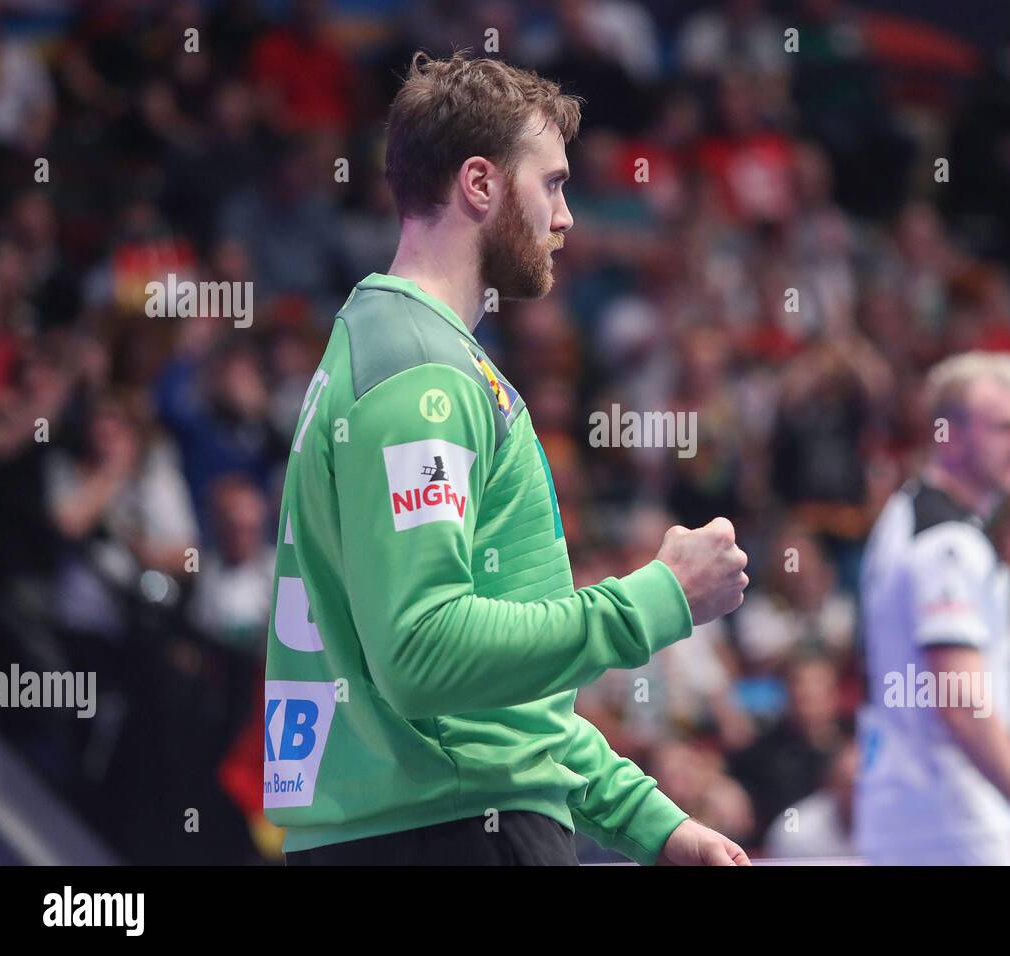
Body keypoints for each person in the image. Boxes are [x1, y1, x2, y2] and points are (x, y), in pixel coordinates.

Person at [265, 52, 750, 866]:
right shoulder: (422, 374)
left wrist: (652, 825)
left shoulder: (398, 352)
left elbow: (495, 705)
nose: (566, 218)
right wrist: (658, 600)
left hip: (425, 820)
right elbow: (423, 652)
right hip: (445, 830)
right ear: (481, 184)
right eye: (552, 184)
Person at [855, 351, 1010, 864]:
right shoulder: (948, 545)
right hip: (952, 827)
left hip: (905, 817)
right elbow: (962, 706)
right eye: (1005, 428)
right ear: (949, 435)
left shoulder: (903, 513)